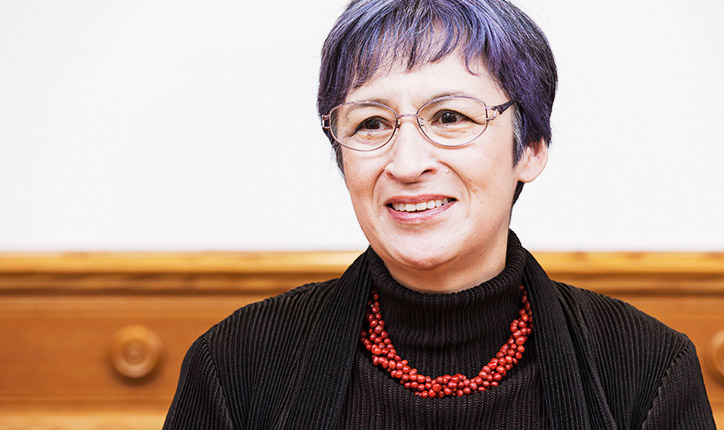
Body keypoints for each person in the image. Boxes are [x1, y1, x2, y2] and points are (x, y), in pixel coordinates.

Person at [164, 0, 716, 428]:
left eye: (450, 116)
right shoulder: (236, 363)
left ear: (530, 149)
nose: (406, 164)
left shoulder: (647, 367)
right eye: (371, 123)